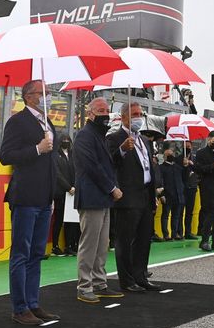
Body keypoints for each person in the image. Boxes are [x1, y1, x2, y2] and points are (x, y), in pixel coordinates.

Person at [0, 80, 61, 325]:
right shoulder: (17, 121)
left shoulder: (48, 123)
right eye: (42, 92)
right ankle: (20, 306)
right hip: (25, 197)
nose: (47, 96)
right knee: (21, 253)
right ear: (28, 96)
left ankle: (33, 302)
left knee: (36, 253)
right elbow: (7, 156)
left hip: (45, 196)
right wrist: (37, 149)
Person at [106, 102, 162, 292]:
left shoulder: (145, 140)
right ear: (123, 117)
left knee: (144, 238)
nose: (138, 118)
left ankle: (141, 276)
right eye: (134, 114)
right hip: (127, 196)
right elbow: (109, 163)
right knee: (125, 240)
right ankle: (127, 280)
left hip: (145, 195)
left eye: (140, 114)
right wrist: (122, 150)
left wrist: (153, 193)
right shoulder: (115, 138)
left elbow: (149, 168)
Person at [73, 97, 124, 304]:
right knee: (89, 244)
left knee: (102, 244)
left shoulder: (100, 135)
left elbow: (107, 164)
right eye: (100, 110)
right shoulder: (85, 136)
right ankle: (84, 286)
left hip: (102, 197)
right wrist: (112, 188)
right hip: (93, 196)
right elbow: (92, 166)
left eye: (106, 110)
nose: (105, 114)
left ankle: (99, 282)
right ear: (90, 113)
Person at [52, 132, 78, 256]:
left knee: (71, 221)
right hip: (61, 192)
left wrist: (75, 187)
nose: (66, 142)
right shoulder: (55, 156)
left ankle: (70, 245)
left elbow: (77, 170)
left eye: (68, 140)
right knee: (58, 219)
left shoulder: (72, 155)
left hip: (72, 193)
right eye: (64, 140)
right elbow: (57, 174)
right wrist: (68, 187)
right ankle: (55, 246)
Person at [159, 146, 186, 240]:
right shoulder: (161, 168)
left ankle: (175, 234)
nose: (171, 156)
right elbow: (160, 182)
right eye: (169, 154)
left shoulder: (178, 167)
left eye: (172, 154)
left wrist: (186, 165)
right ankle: (166, 234)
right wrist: (161, 195)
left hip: (178, 195)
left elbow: (184, 178)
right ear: (164, 156)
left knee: (176, 216)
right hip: (167, 195)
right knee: (165, 215)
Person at [182, 141, 199, 239]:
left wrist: (191, 164)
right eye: (186, 146)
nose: (188, 147)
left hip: (192, 187)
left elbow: (198, 169)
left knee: (190, 211)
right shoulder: (179, 158)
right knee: (180, 212)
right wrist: (184, 165)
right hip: (183, 188)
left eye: (189, 146)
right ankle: (178, 232)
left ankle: (188, 232)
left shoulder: (194, 158)